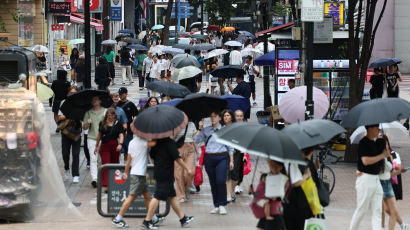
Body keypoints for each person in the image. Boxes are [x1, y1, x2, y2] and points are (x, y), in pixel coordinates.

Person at [143, 137, 194, 229]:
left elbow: (152, 155)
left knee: (172, 197)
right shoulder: (169, 142)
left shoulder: (156, 142)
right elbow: (178, 158)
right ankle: (147, 221)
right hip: (166, 173)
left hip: (159, 171)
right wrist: (187, 168)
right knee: (157, 196)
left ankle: (183, 219)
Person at [112, 136, 162, 228]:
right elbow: (154, 143)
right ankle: (118, 218)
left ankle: (154, 217)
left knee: (147, 196)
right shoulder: (143, 142)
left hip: (137, 174)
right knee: (131, 198)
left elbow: (129, 160)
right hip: (138, 175)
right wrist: (158, 134)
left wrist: (126, 172)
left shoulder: (132, 142)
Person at [349, 124, 389, 230]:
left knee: (378, 211)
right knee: (361, 210)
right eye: (377, 128)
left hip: (376, 180)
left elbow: (379, 162)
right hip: (366, 179)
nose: (378, 130)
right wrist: (382, 156)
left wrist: (384, 150)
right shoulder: (364, 142)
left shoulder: (376, 143)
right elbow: (365, 161)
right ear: (370, 129)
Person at [194, 112, 234, 215]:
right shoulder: (206, 130)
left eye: (215, 116)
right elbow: (196, 140)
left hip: (222, 157)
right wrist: (199, 128)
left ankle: (222, 205)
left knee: (221, 181)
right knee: (213, 182)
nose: (212, 118)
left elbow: (230, 146)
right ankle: (216, 205)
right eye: (211, 116)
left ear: (219, 118)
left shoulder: (225, 130)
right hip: (209, 158)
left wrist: (231, 160)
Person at [379, 136, 409, 230]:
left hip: (393, 184)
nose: (385, 145)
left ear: (388, 143)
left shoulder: (394, 154)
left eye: (386, 143)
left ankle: (401, 225)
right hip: (381, 184)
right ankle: (402, 224)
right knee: (383, 210)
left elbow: (398, 167)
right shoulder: (377, 156)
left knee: (391, 210)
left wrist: (396, 168)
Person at [249, 160, 287, 230]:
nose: (272, 168)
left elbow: (279, 196)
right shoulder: (267, 177)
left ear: (281, 167)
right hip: (266, 212)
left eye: (275, 166)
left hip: (275, 212)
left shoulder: (283, 179)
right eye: (271, 166)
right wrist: (253, 192)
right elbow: (259, 192)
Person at [94, 108, 125, 192]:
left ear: (114, 115)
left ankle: (113, 182)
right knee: (106, 164)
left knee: (114, 164)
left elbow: (121, 135)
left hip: (114, 145)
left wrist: (120, 144)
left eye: (112, 115)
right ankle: (107, 185)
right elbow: (99, 135)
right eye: (108, 115)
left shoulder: (118, 124)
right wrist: (96, 146)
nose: (110, 116)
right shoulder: (102, 123)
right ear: (106, 115)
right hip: (104, 146)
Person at [56, 86, 82, 183]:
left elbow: (83, 116)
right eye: (71, 93)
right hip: (66, 132)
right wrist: (67, 116)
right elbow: (59, 116)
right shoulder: (64, 102)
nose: (72, 95)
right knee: (65, 153)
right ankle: (66, 168)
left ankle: (76, 174)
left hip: (77, 132)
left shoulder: (80, 103)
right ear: (68, 94)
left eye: (74, 93)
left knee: (76, 154)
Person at [83, 96, 107, 188]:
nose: (94, 101)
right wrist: (87, 123)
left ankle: (103, 178)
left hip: (103, 138)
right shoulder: (88, 113)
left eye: (96, 99)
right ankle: (95, 179)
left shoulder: (105, 111)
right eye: (93, 100)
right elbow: (84, 127)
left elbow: (111, 123)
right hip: (92, 138)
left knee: (102, 159)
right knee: (93, 159)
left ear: (100, 101)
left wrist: (105, 119)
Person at [174, 121, 197, 203]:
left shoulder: (192, 124)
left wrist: (198, 152)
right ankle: (181, 195)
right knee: (178, 173)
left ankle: (187, 187)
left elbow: (194, 139)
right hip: (178, 149)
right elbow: (172, 137)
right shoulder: (175, 123)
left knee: (190, 172)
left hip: (190, 148)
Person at [117, 87, 139, 162]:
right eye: (119, 94)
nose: (120, 95)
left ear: (126, 94)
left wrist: (135, 119)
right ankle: (118, 163)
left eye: (122, 94)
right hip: (118, 128)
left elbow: (136, 114)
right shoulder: (117, 104)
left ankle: (126, 162)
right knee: (118, 147)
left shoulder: (131, 104)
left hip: (128, 129)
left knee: (127, 147)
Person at [221, 109, 235, 202]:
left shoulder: (234, 128)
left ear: (231, 117)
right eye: (225, 116)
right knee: (225, 176)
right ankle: (227, 194)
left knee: (230, 176)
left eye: (228, 115)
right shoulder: (221, 128)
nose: (226, 117)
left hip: (233, 153)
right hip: (223, 154)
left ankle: (229, 194)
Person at [232, 110, 246, 195]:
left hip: (242, 149)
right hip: (235, 150)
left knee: (241, 168)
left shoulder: (245, 126)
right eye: (237, 116)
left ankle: (239, 183)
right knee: (235, 167)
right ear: (234, 117)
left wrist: (245, 153)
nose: (239, 117)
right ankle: (236, 184)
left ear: (243, 117)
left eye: (241, 116)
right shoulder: (232, 126)